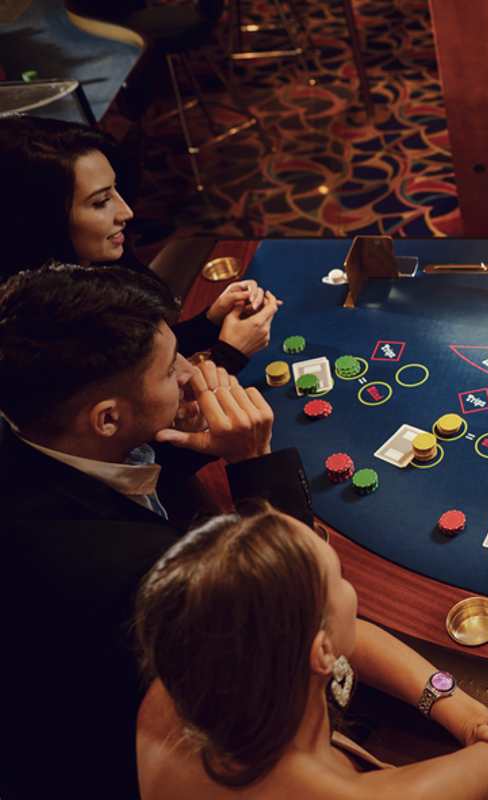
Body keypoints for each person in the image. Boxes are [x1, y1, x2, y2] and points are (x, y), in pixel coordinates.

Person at [0, 265, 311, 799]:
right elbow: (295, 613)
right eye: (172, 371)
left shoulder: (31, 427)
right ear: (105, 420)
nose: (195, 374)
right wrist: (254, 461)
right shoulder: (131, 565)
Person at [134, 498, 488, 798]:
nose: (348, 588)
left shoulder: (176, 691)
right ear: (321, 652)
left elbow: (348, 636)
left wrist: (464, 712)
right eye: (339, 576)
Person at [0, 115, 279, 372]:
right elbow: (147, 417)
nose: (126, 212)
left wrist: (210, 322)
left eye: (115, 190)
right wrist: (229, 354)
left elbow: (139, 352)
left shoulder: (97, 267)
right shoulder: (42, 332)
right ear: (40, 220)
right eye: (100, 202)